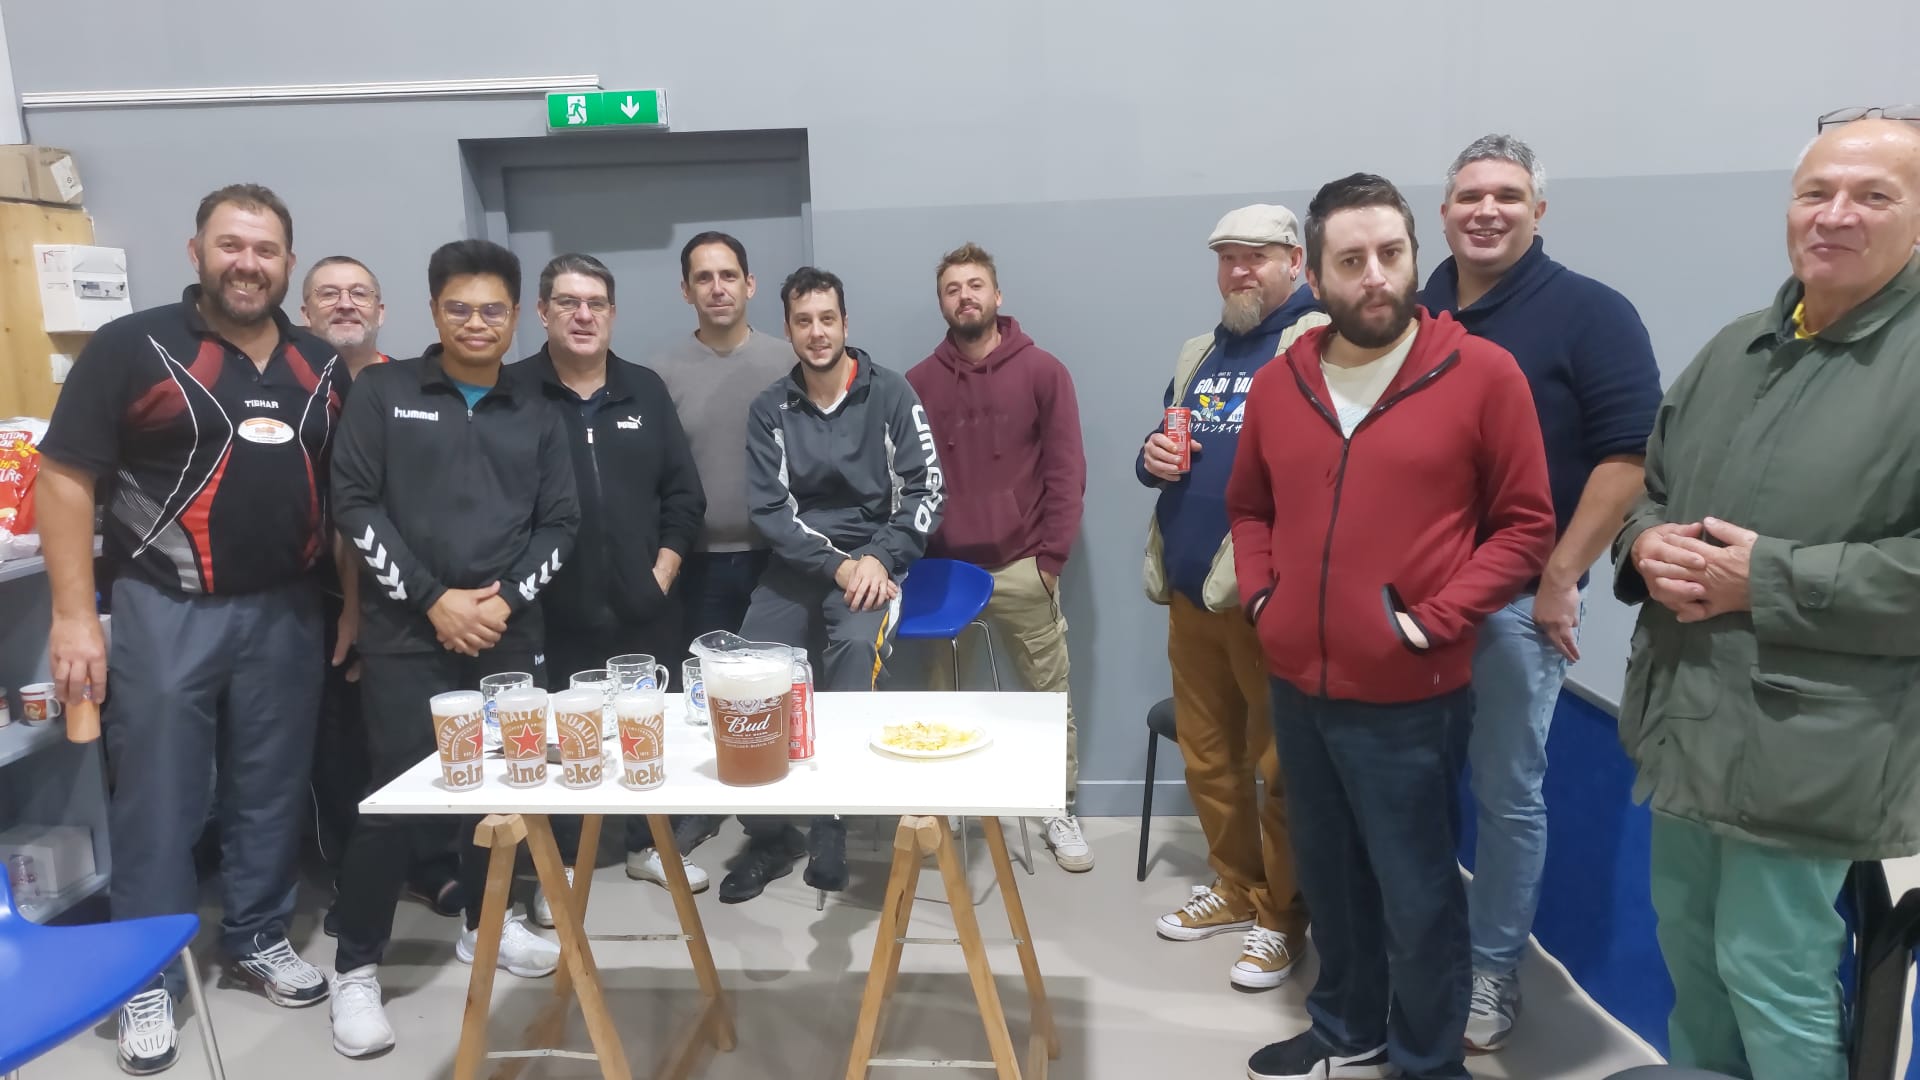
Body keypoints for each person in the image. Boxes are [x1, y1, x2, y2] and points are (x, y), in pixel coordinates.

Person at [1229, 173, 1554, 1080]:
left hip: (1411, 691)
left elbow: (1526, 525)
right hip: (1299, 684)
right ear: (1316, 276)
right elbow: (1249, 508)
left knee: (1417, 894)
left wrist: (1433, 620)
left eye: (1390, 254)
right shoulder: (1280, 383)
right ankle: (1345, 1026)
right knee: (1329, 875)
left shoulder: (1482, 374)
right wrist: (1263, 600)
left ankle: (1426, 1059)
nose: (1374, 275)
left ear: (1415, 257)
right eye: (1351, 260)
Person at [1615, 118, 1920, 1080]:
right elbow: (1652, 490)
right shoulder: (1737, 347)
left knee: (1772, 970)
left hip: (1813, 745)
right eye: (1815, 192)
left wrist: (1771, 578)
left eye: (1873, 195)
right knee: (1693, 957)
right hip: (1690, 717)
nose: (1835, 215)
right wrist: (1642, 545)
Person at [36, 184, 344, 1074]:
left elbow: (343, 490)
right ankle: (145, 974)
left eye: (266, 249)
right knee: (160, 799)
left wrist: (352, 604)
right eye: (230, 245)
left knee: (270, 788)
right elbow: (63, 480)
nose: (248, 263)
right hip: (164, 608)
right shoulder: (132, 347)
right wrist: (72, 617)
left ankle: (257, 935)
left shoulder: (319, 363)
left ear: (289, 262)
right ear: (196, 252)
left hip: (288, 607)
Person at [1421, 134, 1664, 1050]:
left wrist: (1561, 577)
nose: (1487, 211)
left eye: (1508, 196)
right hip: (1415, 607)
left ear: (1538, 211)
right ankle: (1424, 950)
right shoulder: (1416, 310)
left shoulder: (1591, 313)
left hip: (1521, 606)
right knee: (1412, 783)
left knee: (1505, 793)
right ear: (1444, 210)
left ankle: (1491, 972)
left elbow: (1630, 457)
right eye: (1470, 196)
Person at [326, 239, 579, 1058]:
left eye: (492, 309)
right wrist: (433, 600)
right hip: (408, 635)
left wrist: (502, 603)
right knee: (397, 797)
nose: (477, 322)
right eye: (460, 308)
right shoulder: (384, 392)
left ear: (516, 317)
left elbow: (561, 523)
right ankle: (356, 966)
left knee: (502, 790)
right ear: (435, 311)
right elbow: (354, 503)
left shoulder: (538, 407)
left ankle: (484, 924)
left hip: (507, 631)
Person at [1136, 205, 1326, 991]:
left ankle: (1283, 916)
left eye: (1257, 256)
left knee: (1279, 767)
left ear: (1296, 262)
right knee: (1209, 757)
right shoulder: (1203, 351)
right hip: (1190, 592)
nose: (1240, 271)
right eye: (1228, 258)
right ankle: (1236, 886)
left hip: (1263, 599)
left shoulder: (1316, 343)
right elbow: (1169, 446)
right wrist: (1150, 457)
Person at [719, 266, 944, 904]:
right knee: (749, 669)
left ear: (846, 323)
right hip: (800, 565)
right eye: (803, 321)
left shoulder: (891, 393)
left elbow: (926, 491)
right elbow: (770, 512)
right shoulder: (771, 408)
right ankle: (768, 836)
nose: (816, 332)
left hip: (874, 561)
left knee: (853, 648)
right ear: (788, 328)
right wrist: (836, 565)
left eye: (827, 319)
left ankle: (832, 819)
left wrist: (880, 557)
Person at [526, 252, 708, 916]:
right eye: (568, 303)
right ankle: (563, 864)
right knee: (564, 742)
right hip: (553, 610)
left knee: (646, 733)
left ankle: (648, 844)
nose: (583, 316)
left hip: (642, 607)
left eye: (595, 304)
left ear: (612, 314)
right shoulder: (517, 392)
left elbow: (684, 495)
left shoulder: (644, 390)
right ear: (542, 312)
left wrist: (661, 572)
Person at [905, 242, 1090, 871]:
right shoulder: (918, 383)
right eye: (952, 288)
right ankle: (951, 804)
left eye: (975, 285)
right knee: (944, 697)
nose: (966, 297)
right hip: (944, 574)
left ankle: (1056, 807)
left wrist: (1050, 560)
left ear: (997, 295)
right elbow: (908, 479)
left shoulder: (1043, 371)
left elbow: (1066, 471)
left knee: (1046, 696)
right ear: (942, 302)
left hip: (1022, 566)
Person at [297, 256, 466, 934]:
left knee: (418, 737)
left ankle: (431, 863)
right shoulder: (292, 386)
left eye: (359, 293)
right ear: (304, 312)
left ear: (382, 310)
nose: (346, 304)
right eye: (329, 294)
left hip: (405, 594)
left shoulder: (409, 385)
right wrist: (348, 605)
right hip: (318, 593)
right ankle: (354, 878)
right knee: (340, 745)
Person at [649, 231, 800, 859]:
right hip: (700, 563)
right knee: (706, 694)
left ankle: (774, 826)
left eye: (729, 275)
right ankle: (703, 805)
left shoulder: (789, 360)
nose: (718, 288)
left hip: (781, 560)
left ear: (750, 284)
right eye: (704, 278)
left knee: (775, 694)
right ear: (686, 291)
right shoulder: (660, 375)